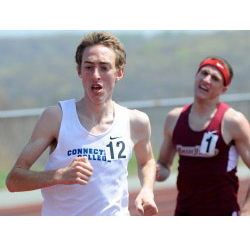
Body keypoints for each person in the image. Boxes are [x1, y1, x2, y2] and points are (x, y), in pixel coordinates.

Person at [6, 31, 158, 216]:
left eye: (104, 67)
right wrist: (60, 175)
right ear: (79, 71)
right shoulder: (56, 117)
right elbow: (14, 180)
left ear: (119, 72)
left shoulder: (136, 121)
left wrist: (147, 190)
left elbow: (147, 161)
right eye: (88, 67)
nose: (96, 75)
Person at [156, 56, 250, 216]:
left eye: (215, 78)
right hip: (184, 214)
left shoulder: (233, 121)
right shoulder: (174, 118)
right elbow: (164, 166)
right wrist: (152, 170)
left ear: (223, 89)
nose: (206, 80)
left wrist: (247, 212)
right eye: (204, 73)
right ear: (196, 76)